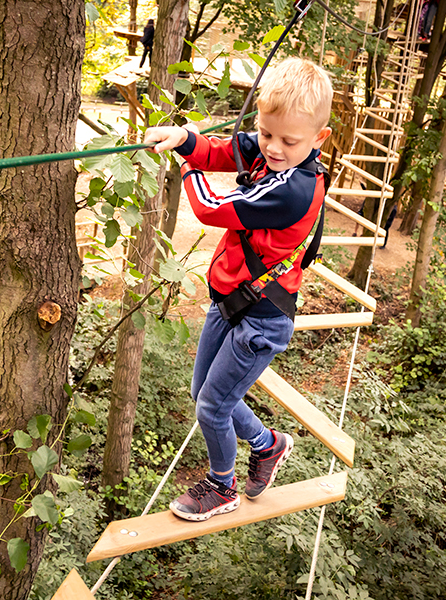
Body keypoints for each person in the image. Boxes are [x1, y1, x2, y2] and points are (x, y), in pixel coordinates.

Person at [144, 57, 333, 521]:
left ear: (317, 139)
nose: (272, 148)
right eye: (266, 134)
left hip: (262, 318)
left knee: (213, 405)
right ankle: (268, 445)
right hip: (230, 302)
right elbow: (222, 151)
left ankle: (221, 486)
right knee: (203, 394)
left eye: (289, 141)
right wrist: (185, 140)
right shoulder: (271, 146)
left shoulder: (293, 189)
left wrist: (184, 167)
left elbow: (210, 207)